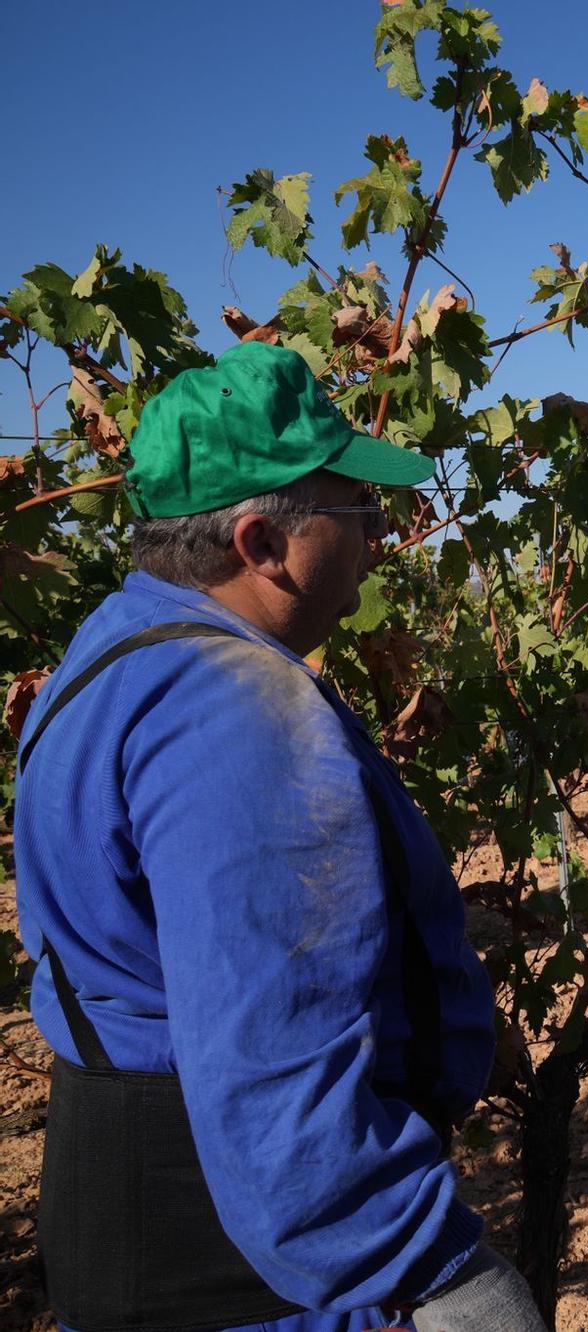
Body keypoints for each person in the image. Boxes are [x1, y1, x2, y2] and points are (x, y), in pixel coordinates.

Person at [13, 342, 542, 1331]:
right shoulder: (235, 720)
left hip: (152, 1244)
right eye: (357, 510)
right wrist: (429, 1271)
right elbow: (275, 1064)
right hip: (256, 1282)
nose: (382, 533)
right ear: (262, 543)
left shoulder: (118, 648)